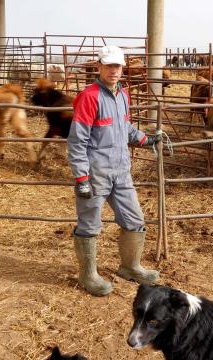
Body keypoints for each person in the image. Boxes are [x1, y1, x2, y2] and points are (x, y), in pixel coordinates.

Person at [67, 45, 160, 296]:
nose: (114, 71)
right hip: (96, 172)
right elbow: (77, 140)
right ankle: (88, 274)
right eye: (109, 66)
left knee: (134, 218)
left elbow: (125, 128)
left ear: (123, 69)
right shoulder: (89, 96)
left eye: (117, 66)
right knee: (89, 223)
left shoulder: (123, 95)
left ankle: (130, 266)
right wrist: (81, 177)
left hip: (121, 169)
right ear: (99, 67)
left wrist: (146, 139)